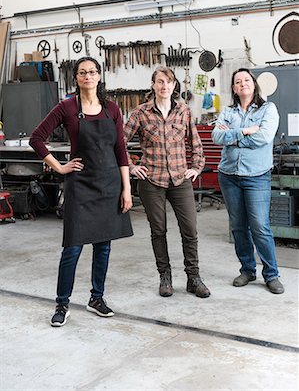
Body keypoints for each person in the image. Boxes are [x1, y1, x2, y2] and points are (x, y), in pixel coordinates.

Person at [30, 56, 133, 326]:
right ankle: (62, 303)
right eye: (82, 72)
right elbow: (36, 138)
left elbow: (120, 150)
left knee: (104, 246)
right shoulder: (66, 107)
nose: (88, 76)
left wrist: (127, 189)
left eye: (92, 71)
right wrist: (59, 167)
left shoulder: (112, 109)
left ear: (99, 76)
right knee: (72, 248)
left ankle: (96, 298)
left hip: (109, 184)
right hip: (81, 185)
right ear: (76, 78)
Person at [124, 66, 210, 298]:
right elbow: (119, 142)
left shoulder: (184, 111)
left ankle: (193, 277)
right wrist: (132, 167)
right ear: (153, 85)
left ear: (174, 86)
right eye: (160, 82)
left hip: (180, 179)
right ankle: (165, 276)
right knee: (158, 230)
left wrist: (196, 167)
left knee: (190, 230)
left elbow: (195, 142)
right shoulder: (141, 113)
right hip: (152, 180)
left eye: (169, 82)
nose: (164, 86)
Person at [212, 68, 284, 294]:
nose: (242, 83)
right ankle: (247, 270)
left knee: (260, 227)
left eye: (246, 80)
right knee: (238, 227)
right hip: (229, 176)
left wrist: (233, 136)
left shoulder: (268, 109)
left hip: (256, 176)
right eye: (237, 81)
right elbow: (216, 137)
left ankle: (271, 274)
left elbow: (264, 137)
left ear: (253, 84)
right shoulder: (228, 111)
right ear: (234, 88)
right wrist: (245, 131)